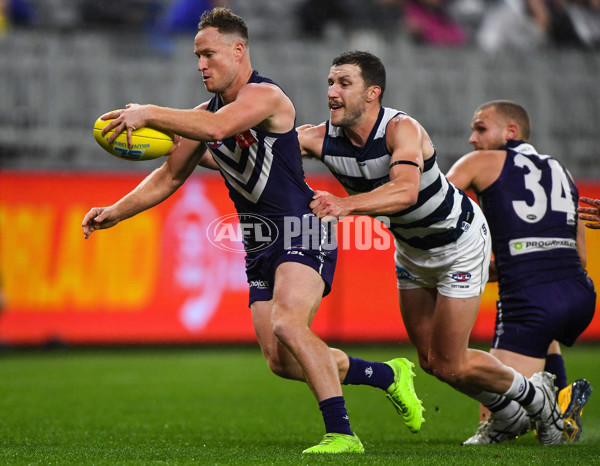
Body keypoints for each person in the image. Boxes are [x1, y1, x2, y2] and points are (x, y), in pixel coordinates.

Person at [81, 8, 423, 455]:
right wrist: (116, 211)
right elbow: (169, 177)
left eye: (208, 54)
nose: (200, 64)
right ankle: (387, 375)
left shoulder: (267, 97)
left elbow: (218, 128)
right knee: (281, 361)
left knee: (287, 322)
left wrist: (149, 113)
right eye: (196, 56)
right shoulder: (204, 115)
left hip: (304, 226)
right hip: (259, 241)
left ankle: (342, 434)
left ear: (238, 50)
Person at [298, 51, 565, 446]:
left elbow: (405, 191)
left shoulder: (402, 130)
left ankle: (537, 397)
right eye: (330, 83)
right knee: (432, 363)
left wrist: (344, 204)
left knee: (452, 360)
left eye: (343, 83)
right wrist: (193, 143)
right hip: (410, 251)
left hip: (459, 243)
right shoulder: (319, 138)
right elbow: (256, 151)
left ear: (373, 93)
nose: (331, 92)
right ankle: (509, 413)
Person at [446, 100, 596, 444]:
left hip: (531, 301)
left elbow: (435, 203)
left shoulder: (481, 162)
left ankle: (553, 418)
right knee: (545, 331)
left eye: (481, 128)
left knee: (476, 384)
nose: (472, 138)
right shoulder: (563, 171)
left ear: (510, 131)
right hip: (580, 295)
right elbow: (580, 257)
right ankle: (561, 400)